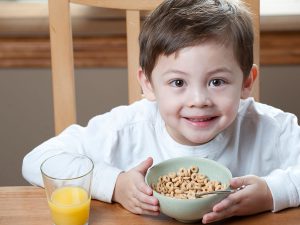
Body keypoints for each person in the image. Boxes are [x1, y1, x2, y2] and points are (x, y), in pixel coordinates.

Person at [22, 0, 300, 223]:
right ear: (148, 85)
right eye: (178, 82)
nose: (199, 100)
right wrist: (115, 184)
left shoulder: (271, 129)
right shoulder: (128, 128)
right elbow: (37, 160)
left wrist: (272, 192)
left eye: (217, 82)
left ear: (246, 82)